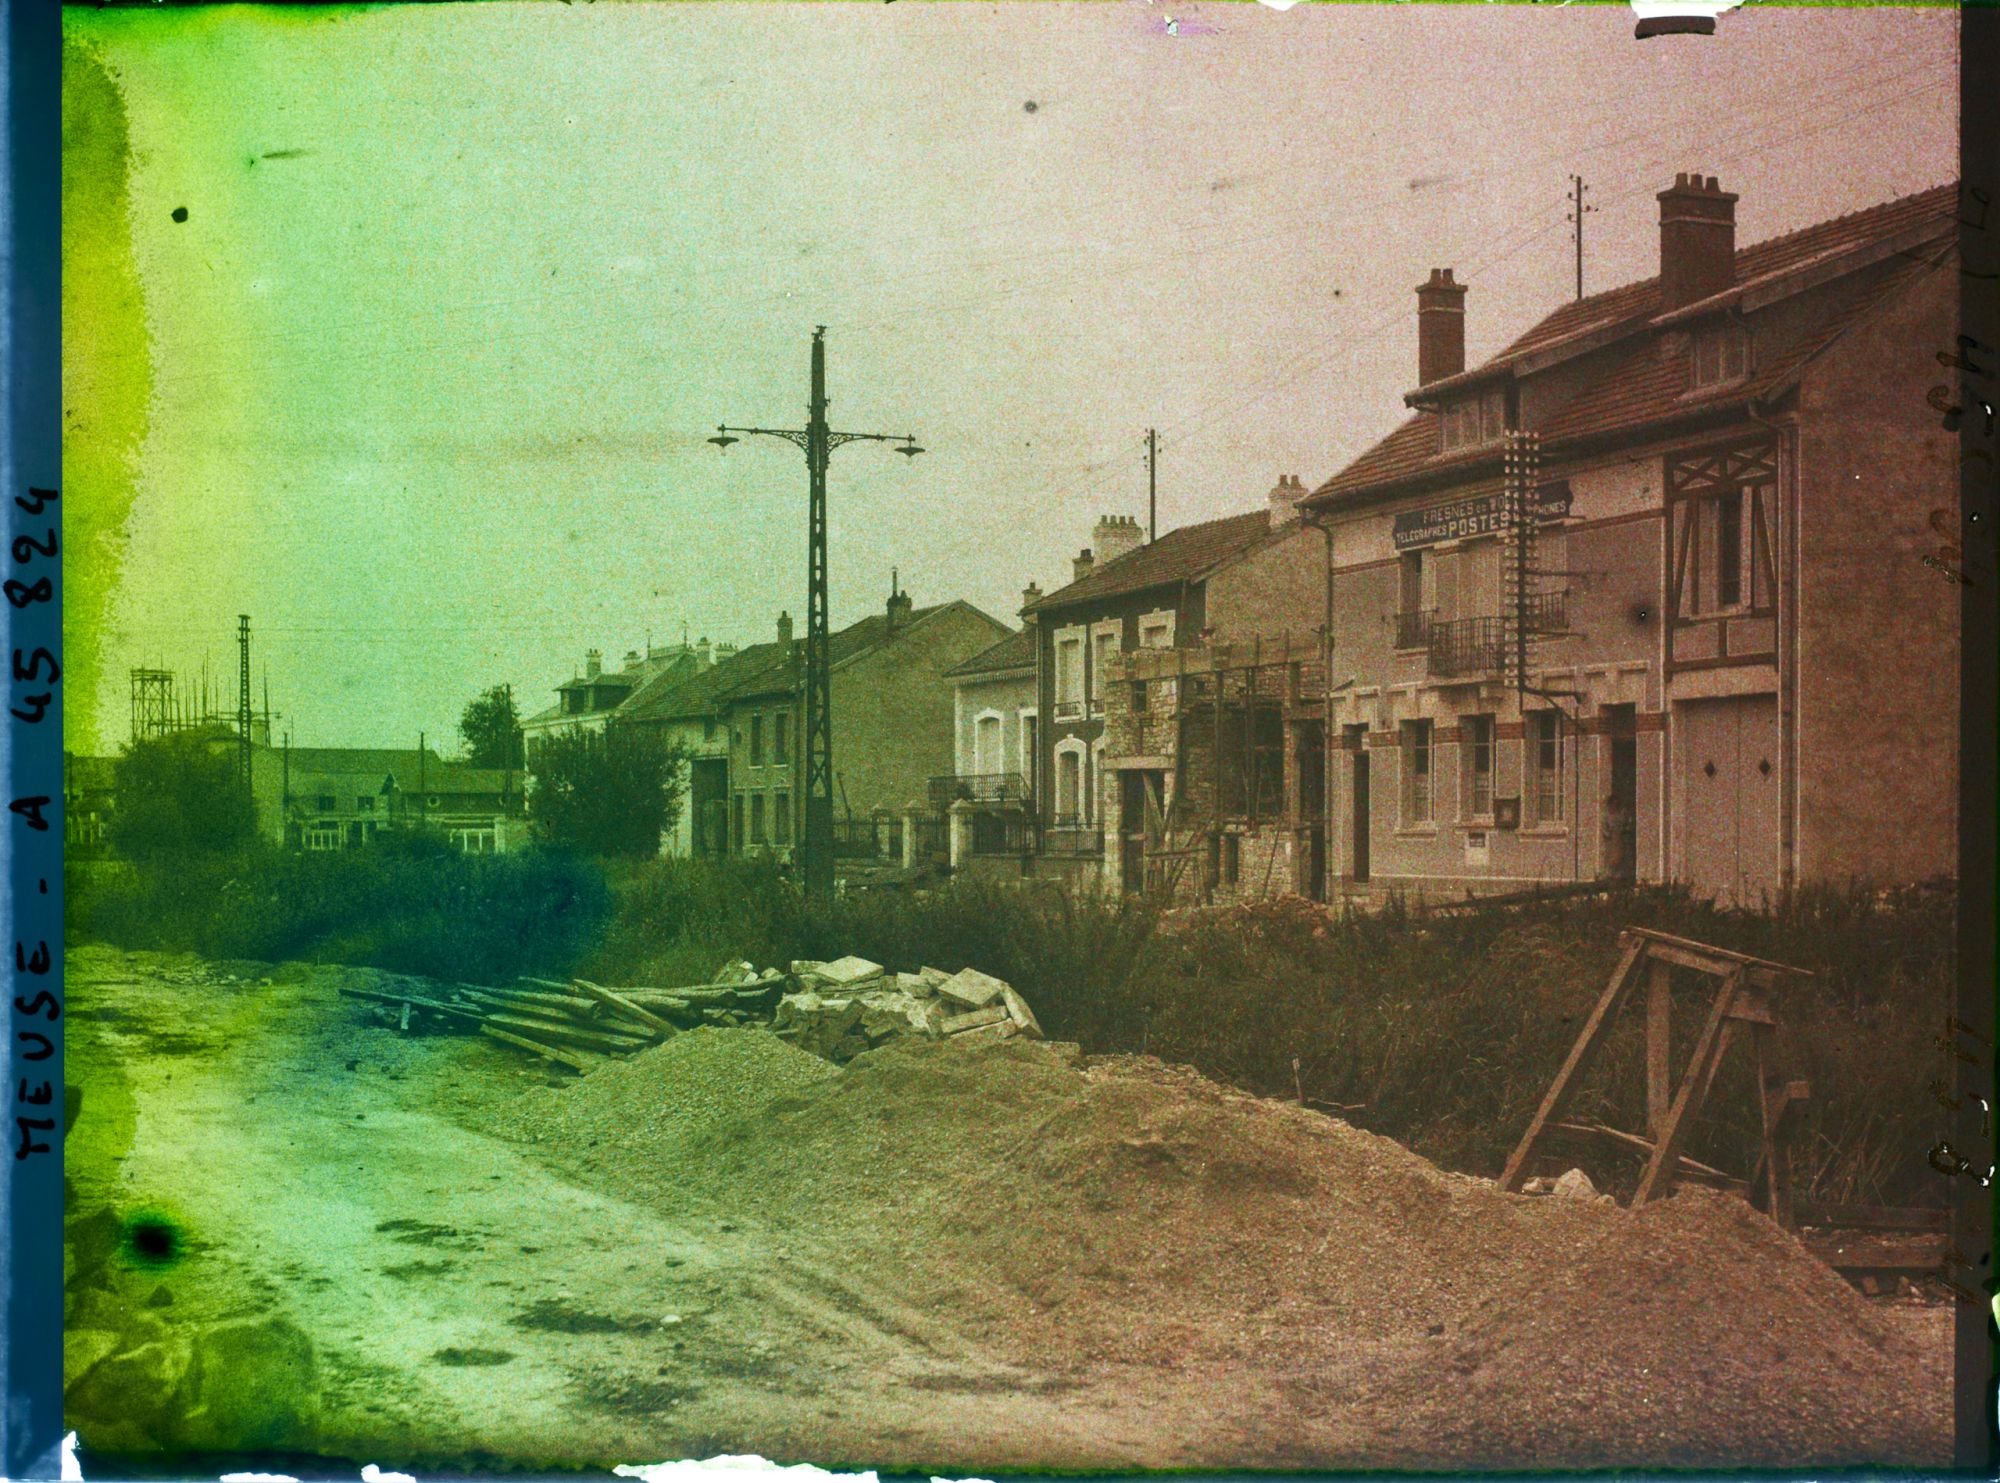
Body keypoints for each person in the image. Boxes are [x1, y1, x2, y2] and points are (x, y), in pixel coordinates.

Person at [1603, 789, 1635, 882]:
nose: (1614, 806)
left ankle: (1622, 876)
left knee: (1622, 857)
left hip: (1621, 838)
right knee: (1612, 858)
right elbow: (1605, 828)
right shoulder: (1607, 816)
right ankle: (1611, 876)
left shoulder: (1622, 814)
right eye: (1612, 804)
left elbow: (1628, 823)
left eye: (1616, 804)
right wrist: (1608, 834)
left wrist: (1625, 831)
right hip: (1612, 840)